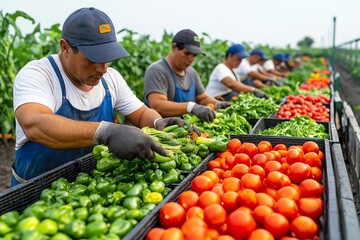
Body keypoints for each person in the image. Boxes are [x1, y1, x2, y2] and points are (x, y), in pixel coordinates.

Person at [11, 7, 196, 186]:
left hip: (93, 190)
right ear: (65, 47)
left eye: (107, 58)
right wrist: (104, 132)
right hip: (36, 196)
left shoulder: (111, 79)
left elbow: (140, 114)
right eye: (93, 59)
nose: (103, 68)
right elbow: (35, 124)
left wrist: (157, 123)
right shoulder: (39, 74)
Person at [143, 29, 230, 123]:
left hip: (185, 129)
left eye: (194, 55)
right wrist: (191, 107)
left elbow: (203, 98)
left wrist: (217, 103)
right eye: (187, 53)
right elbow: (157, 105)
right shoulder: (158, 70)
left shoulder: (191, 73)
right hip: (161, 131)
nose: (191, 59)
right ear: (174, 47)